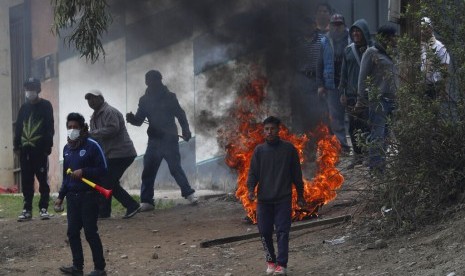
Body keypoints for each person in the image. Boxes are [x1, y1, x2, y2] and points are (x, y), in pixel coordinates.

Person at [126, 70, 197, 211]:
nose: (152, 83)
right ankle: (147, 201)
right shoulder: (144, 100)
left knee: (175, 168)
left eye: (155, 80)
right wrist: (131, 119)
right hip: (154, 140)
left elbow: (180, 114)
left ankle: (189, 194)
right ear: (146, 82)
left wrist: (186, 130)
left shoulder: (170, 97)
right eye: (149, 80)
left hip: (170, 139)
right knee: (148, 170)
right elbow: (139, 121)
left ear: (160, 80)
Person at [247, 116, 306, 275]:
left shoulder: (289, 149)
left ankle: (282, 264)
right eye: (266, 129)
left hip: (283, 199)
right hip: (264, 200)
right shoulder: (259, 151)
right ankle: (270, 261)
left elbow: (296, 175)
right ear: (263, 131)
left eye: (272, 128)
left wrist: (301, 196)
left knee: (282, 231)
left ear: (279, 130)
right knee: (264, 231)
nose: (269, 132)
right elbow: (253, 173)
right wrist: (251, 190)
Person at [55, 112, 107, 276]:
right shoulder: (67, 149)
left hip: (89, 196)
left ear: (82, 128)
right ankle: (77, 267)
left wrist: (84, 171)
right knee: (72, 232)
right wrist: (60, 196)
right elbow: (66, 177)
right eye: (69, 127)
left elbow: (103, 169)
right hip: (73, 197)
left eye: (75, 127)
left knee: (90, 232)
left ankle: (100, 268)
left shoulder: (92, 145)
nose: (72, 130)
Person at [85, 89, 141, 219]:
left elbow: (112, 129)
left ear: (101, 98)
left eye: (93, 98)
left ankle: (131, 205)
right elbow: (96, 137)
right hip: (111, 155)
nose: (91, 101)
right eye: (88, 99)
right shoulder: (94, 117)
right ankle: (105, 212)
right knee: (108, 182)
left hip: (122, 153)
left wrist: (91, 134)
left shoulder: (109, 112)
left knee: (107, 181)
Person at [355, 25, 398, 173]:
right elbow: (361, 78)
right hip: (378, 100)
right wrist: (360, 99)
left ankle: (381, 166)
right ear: (385, 37)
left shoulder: (391, 53)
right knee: (378, 135)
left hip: (392, 101)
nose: (395, 39)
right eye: (393, 36)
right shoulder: (371, 52)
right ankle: (376, 169)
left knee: (386, 136)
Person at [13, 77, 54, 222]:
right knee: (26, 180)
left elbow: (50, 127)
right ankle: (27, 209)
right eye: (27, 89)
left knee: (42, 179)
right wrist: (16, 146)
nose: (29, 91)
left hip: (40, 150)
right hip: (25, 151)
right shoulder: (24, 108)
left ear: (38, 90)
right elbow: (18, 128)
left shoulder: (46, 106)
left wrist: (47, 147)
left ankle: (44, 208)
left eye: (31, 88)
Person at [289, 16, 325, 162]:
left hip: (317, 79)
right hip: (301, 78)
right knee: (300, 117)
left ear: (314, 25)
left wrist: (322, 83)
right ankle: (303, 152)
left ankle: (315, 150)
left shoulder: (322, 39)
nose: (308, 27)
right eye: (305, 24)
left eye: (310, 24)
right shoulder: (296, 41)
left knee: (315, 117)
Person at [339, 19, 373, 169]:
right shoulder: (348, 50)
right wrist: (342, 92)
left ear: (364, 32)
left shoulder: (372, 50)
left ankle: (368, 155)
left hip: (368, 94)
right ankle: (357, 155)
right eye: (353, 31)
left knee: (367, 125)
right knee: (353, 126)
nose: (355, 33)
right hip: (352, 94)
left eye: (358, 31)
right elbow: (344, 73)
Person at [317, 13, 351, 154]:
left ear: (344, 25)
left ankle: (360, 148)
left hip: (350, 86)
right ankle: (342, 146)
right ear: (330, 26)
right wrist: (320, 84)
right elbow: (319, 64)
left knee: (355, 117)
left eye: (339, 24)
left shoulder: (351, 40)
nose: (337, 28)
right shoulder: (325, 41)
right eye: (334, 24)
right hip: (332, 85)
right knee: (336, 118)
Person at [420, 17, 450, 99]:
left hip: (432, 87)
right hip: (415, 85)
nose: (423, 31)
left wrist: (443, 89)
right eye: (421, 28)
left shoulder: (439, 47)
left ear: (431, 28)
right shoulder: (415, 46)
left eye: (426, 28)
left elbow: (445, 69)